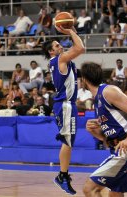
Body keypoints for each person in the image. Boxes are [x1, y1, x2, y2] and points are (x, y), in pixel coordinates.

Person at [80, 62, 127, 197]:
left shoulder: (107, 91)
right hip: (118, 149)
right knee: (115, 194)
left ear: (84, 79)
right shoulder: (96, 99)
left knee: (90, 189)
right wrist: (94, 132)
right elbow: (106, 138)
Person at [42, 25, 85, 195]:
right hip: (65, 104)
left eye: (59, 44)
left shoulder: (61, 61)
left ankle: (63, 174)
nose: (60, 46)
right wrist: (70, 31)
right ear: (51, 52)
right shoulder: (60, 60)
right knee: (67, 141)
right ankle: (62, 175)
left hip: (67, 104)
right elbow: (81, 48)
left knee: (69, 141)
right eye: (56, 46)